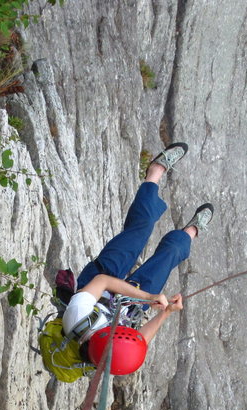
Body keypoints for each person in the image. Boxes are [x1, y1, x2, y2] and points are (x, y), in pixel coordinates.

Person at [62, 142, 213, 375]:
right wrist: (166, 312)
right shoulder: (121, 355)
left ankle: (154, 172)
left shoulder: (77, 318)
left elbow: (103, 281)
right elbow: (139, 340)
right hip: (126, 309)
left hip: (99, 283)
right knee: (170, 256)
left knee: (141, 228)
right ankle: (190, 232)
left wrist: (148, 296)